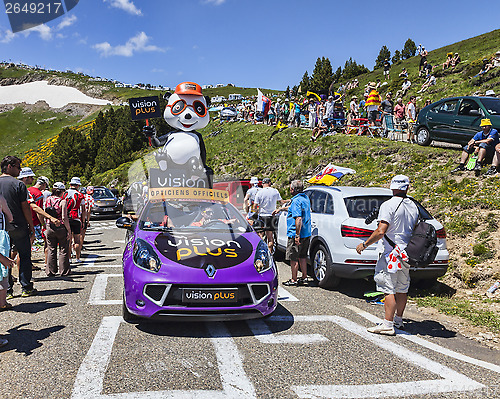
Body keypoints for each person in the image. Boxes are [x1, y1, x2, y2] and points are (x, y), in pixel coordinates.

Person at [356, 175, 419, 335]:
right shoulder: (413, 206)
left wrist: (364, 244)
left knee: (388, 288)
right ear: (407, 188)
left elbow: (381, 230)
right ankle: (399, 320)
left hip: (390, 254)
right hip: (406, 253)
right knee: (402, 288)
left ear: (392, 187)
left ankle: (387, 324)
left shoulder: (388, 205)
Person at [0, 156, 37, 298]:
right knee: (25, 255)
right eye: (18, 166)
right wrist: (31, 226)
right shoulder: (19, 185)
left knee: (4, 256)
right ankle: (26, 287)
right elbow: (25, 207)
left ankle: (7, 290)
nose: (20, 170)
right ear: (9, 166)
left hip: (2, 228)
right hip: (18, 225)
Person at [277, 180, 311, 287]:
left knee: (293, 258)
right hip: (306, 233)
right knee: (303, 256)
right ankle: (304, 277)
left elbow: (298, 218)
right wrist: (282, 208)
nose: (290, 190)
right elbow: (293, 208)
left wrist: (297, 235)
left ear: (293, 189)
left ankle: (294, 279)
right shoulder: (305, 198)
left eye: (291, 188)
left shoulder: (296, 201)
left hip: (296, 234)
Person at [252, 177, 287, 253]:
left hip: (262, 216)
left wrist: (256, 212)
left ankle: (261, 249)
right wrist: (289, 200)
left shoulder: (259, 192)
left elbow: (254, 206)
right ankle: (270, 254)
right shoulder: (275, 191)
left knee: (260, 234)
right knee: (270, 238)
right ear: (270, 183)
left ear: (262, 184)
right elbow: (281, 202)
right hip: (271, 216)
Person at [44, 182, 71, 276]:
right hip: (60, 226)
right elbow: (64, 217)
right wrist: (69, 230)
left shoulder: (48, 199)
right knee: (63, 249)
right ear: (62, 191)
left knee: (51, 248)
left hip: (49, 225)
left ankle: (50, 271)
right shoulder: (62, 201)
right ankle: (64, 271)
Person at [65, 177, 86, 263]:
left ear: (70, 184)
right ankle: (77, 258)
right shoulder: (80, 195)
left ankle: (69, 258)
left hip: (66, 218)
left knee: (68, 240)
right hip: (76, 218)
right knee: (77, 239)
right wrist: (84, 221)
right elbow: (83, 209)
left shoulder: (64, 194)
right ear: (78, 185)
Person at [0, 194, 14, 311]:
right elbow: (10, 217)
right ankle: (2, 302)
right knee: (3, 269)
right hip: (1, 236)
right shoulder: (1, 198)